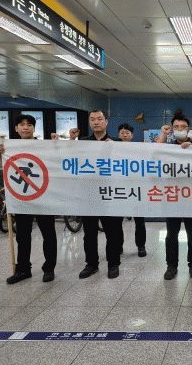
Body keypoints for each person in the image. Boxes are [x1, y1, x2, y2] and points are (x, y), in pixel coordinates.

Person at [0, 114, 57, 284]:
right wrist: (0, 156)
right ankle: (23, 269)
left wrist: (56, 146)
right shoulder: (10, 147)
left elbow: (55, 163)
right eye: (22, 124)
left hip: (43, 196)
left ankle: (49, 268)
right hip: (22, 198)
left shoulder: (44, 146)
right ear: (16, 128)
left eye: (29, 125)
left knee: (48, 234)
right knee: (22, 235)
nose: (25, 127)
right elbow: (7, 169)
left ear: (34, 128)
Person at [68, 110, 122, 279]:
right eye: (92, 120)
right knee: (89, 233)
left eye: (99, 119)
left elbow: (125, 164)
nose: (96, 122)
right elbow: (70, 159)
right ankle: (91, 264)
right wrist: (71, 141)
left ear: (106, 122)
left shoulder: (117, 142)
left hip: (109, 193)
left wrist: (115, 149)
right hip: (88, 193)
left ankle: (113, 264)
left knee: (112, 232)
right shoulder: (83, 142)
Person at [158, 114, 192, 280]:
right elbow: (154, 154)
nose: (180, 129)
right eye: (176, 127)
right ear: (172, 129)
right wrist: (163, 135)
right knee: (171, 234)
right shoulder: (168, 146)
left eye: (183, 127)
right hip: (173, 196)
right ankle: (171, 266)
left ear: (188, 129)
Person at [117, 123, 147, 258]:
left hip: (136, 189)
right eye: (122, 133)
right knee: (117, 222)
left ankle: (141, 246)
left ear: (132, 135)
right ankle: (118, 246)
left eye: (127, 133)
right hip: (118, 189)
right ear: (118, 134)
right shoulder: (112, 147)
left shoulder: (138, 149)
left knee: (139, 221)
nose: (125, 135)